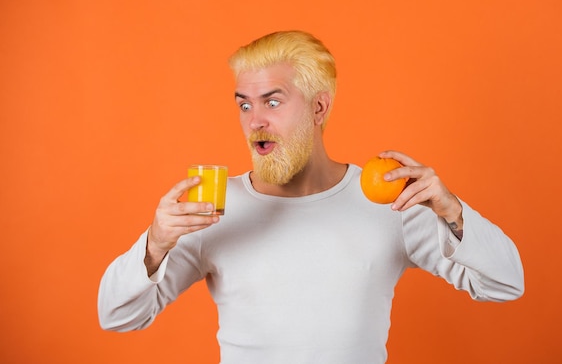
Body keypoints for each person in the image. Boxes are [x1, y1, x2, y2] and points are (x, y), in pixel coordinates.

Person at [98, 30, 524, 364]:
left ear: (319, 108)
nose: (255, 121)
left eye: (273, 101)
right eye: (244, 105)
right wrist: (155, 244)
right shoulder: (213, 207)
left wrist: (453, 212)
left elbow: (505, 284)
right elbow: (118, 316)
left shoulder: (389, 204)